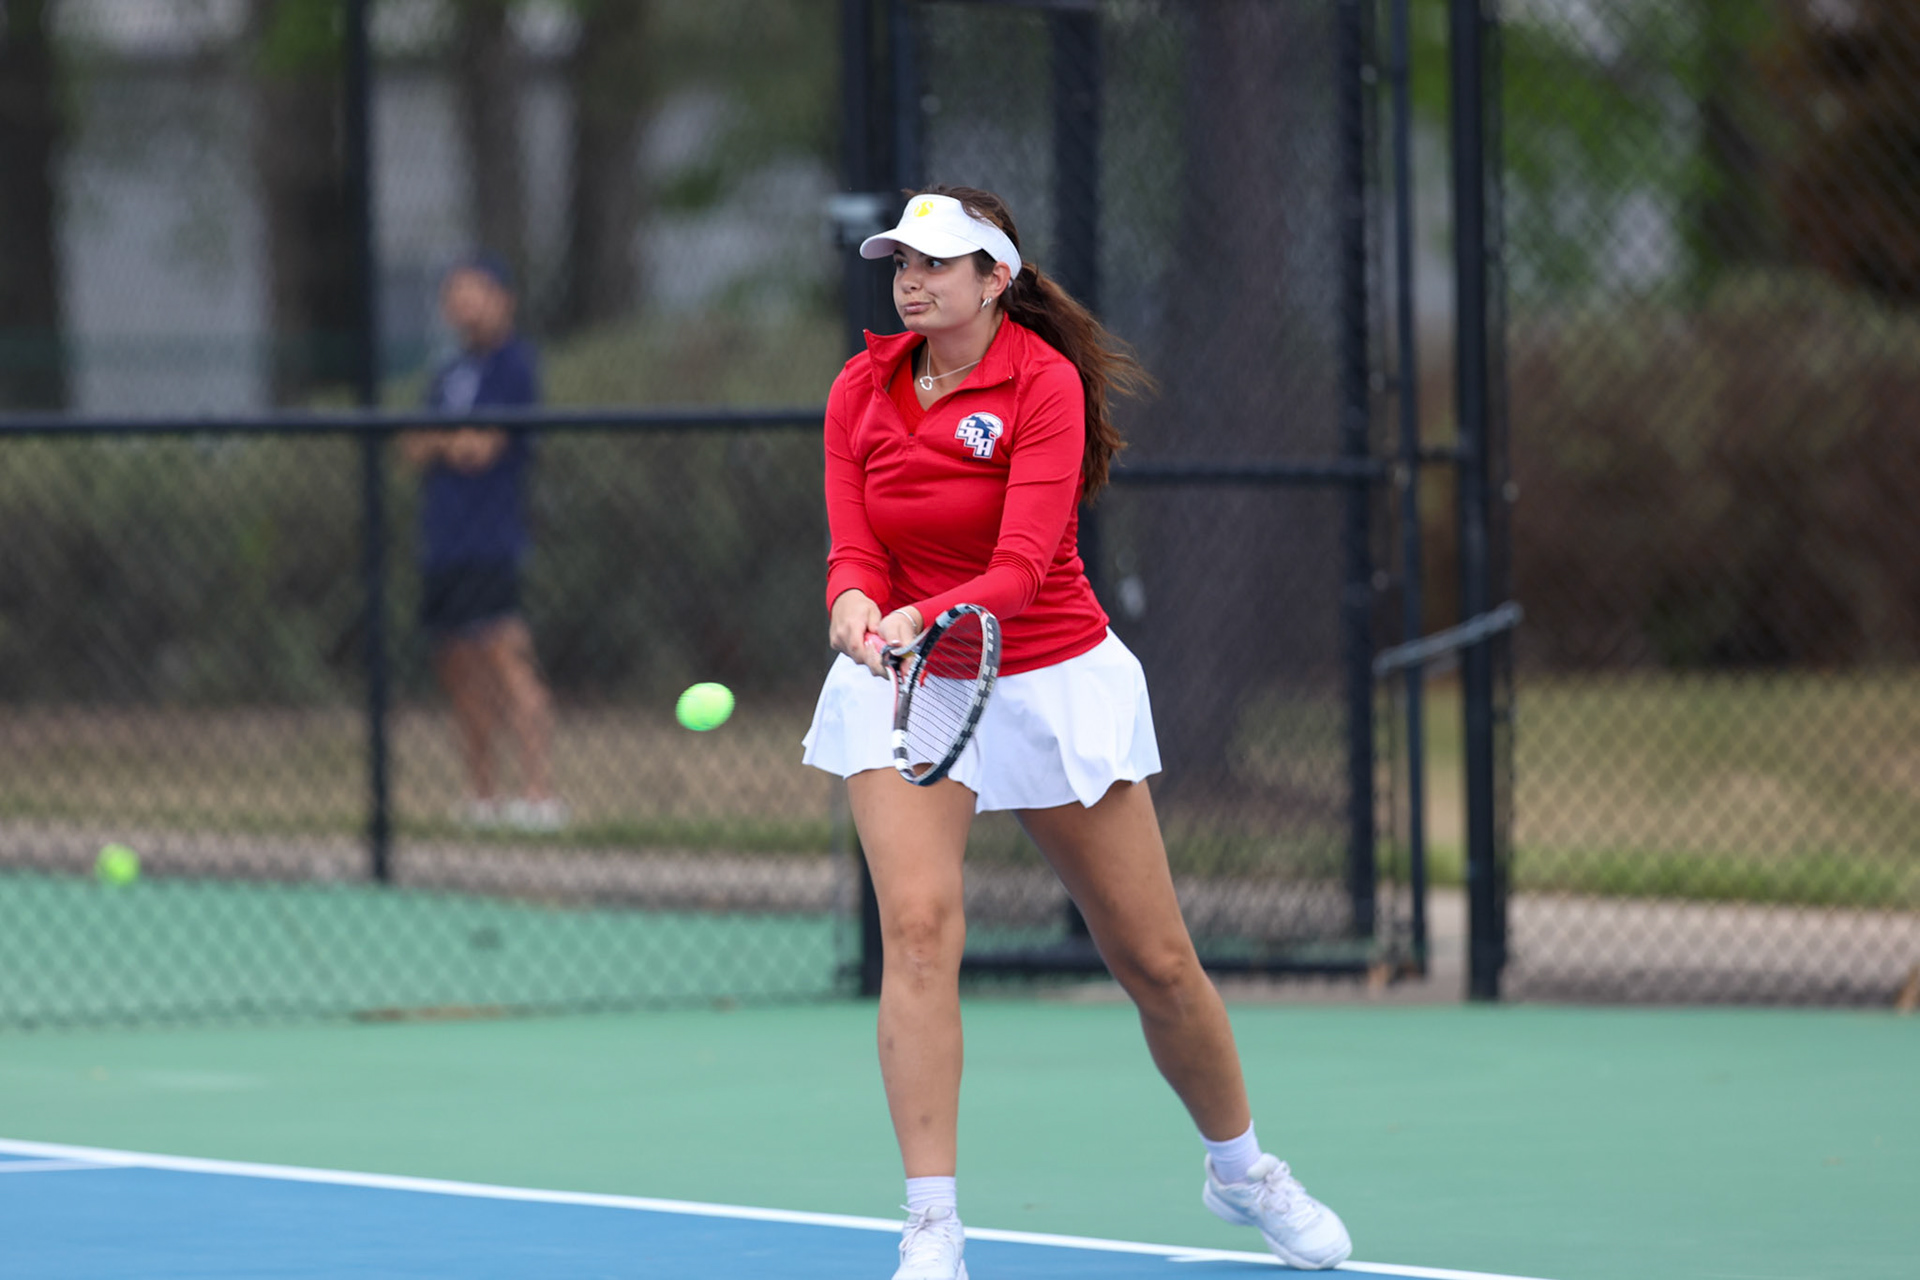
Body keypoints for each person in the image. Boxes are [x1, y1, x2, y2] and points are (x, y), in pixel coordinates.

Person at [801, 188, 1353, 1279]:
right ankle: (931, 1226)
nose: (912, 278)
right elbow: (852, 546)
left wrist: (930, 609)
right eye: (901, 260)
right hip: (909, 684)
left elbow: (1022, 562)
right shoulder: (860, 389)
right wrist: (854, 607)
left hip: (1045, 672)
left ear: (995, 277)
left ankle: (1241, 1169)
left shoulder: (1043, 385)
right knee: (916, 930)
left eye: (938, 262)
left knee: (1153, 958)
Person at [401, 252, 564, 833]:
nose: (461, 303)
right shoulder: (447, 372)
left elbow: (483, 449)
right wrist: (451, 441)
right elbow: (414, 446)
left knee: (507, 660)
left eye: (473, 290)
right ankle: (482, 797)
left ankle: (538, 797)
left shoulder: (514, 366)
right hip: (441, 543)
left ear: (502, 299)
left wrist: (449, 443)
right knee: (458, 669)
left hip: (492, 541)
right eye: (454, 292)